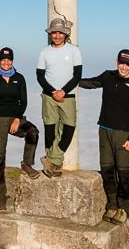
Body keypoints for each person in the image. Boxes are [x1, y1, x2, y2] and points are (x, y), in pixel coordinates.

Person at [78, 49, 129, 224]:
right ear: (116, 61)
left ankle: (125, 208)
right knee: (107, 170)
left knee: (123, 172)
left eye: (127, 64)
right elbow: (90, 83)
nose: (124, 67)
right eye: (121, 62)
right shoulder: (108, 76)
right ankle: (112, 205)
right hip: (104, 129)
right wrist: (70, 80)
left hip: (124, 134)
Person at [0, 47, 41, 211]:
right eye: (3, 59)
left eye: (9, 59)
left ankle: (27, 164)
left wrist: (16, 119)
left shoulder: (19, 78)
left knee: (32, 132)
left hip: (16, 118)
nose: (6, 62)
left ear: (12, 61)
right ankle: (0, 201)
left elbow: (24, 101)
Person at [36, 18, 83, 178]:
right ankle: (53, 165)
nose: (56, 36)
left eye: (59, 33)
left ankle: (50, 159)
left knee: (69, 127)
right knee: (50, 128)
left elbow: (77, 76)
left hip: (68, 96)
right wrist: (53, 92)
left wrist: (63, 91)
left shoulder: (74, 51)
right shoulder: (44, 52)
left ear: (65, 34)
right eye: (54, 33)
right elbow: (40, 76)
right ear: (50, 34)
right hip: (49, 96)